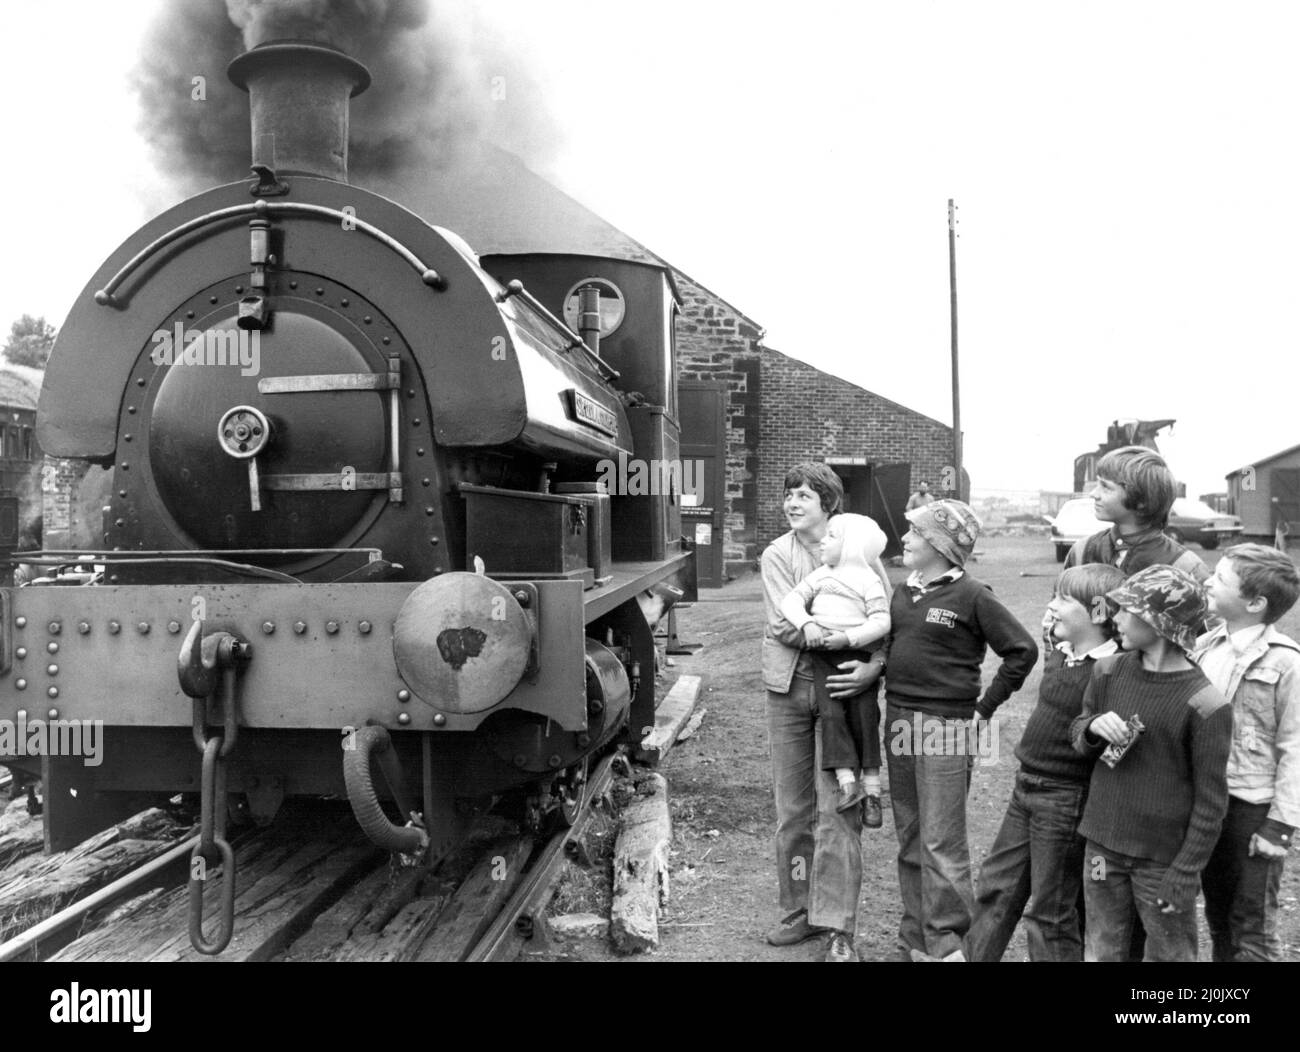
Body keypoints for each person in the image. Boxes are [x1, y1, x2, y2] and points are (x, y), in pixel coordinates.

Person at [884, 499, 1037, 962]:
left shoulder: (973, 595)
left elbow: (1021, 651)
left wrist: (984, 708)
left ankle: (947, 945)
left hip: (947, 727)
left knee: (941, 841)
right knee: (910, 836)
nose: (905, 539)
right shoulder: (902, 591)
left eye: (914, 532)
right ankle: (915, 939)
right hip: (897, 721)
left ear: (939, 544)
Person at [761, 463, 892, 962]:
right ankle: (800, 911)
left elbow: (886, 618)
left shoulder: (857, 545)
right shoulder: (778, 554)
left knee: (841, 805)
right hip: (790, 689)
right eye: (789, 495)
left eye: (805, 496)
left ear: (829, 504)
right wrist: (845, 633)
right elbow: (782, 625)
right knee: (794, 811)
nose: (793, 504)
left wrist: (873, 666)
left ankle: (838, 923)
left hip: (844, 689)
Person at [1070, 565, 1232, 962]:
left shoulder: (1207, 706)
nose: (1115, 617)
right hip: (1100, 852)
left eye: (1127, 610)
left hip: (1161, 864)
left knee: (1170, 954)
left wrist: (1185, 873)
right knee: (1101, 948)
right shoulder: (1107, 670)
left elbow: (1212, 804)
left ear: (1159, 623)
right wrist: (1092, 728)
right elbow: (1077, 734)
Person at [967, 563, 1124, 962]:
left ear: (1101, 613)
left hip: (1066, 798)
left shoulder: (1115, 670)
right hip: (1026, 786)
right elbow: (1050, 633)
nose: (1051, 606)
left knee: (1049, 912)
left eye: (1063, 599)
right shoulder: (1062, 652)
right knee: (996, 887)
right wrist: (1056, 621)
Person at [1194, 543, 1300, 962]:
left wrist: (1281, 826)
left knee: (1251, 927)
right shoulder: (1205, 646)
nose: (1207, 581)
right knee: (1218, 917)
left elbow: (1296, 748)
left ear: (1255, 603)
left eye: (1220, 579)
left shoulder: (1287, 663)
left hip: (1253, 813)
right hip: (1207, 804)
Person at [780, 513, 891, 819]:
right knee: (831, 716)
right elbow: (789, 602)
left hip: (859, 657)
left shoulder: (869, 580)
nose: (824, 542)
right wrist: (807, 625)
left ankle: (872, 793)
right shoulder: (821, 575)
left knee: (865, 718)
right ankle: (847, 785)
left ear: (852, 545)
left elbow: (882, 621)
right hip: (824, 657)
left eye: (832, 537)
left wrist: (849, 638)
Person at [1064, 446, 1208, 584]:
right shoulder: (1082, 552)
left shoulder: (1185, 568)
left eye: (1106, 487)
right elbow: (1059, 606)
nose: (1093, 494)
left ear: (1141, 501)